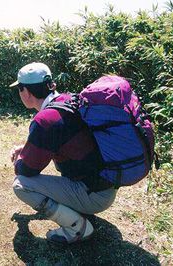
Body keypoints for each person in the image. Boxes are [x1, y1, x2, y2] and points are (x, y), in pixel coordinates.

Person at [9, 62, 117, 244]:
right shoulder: (69, 101)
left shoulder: (46, 120)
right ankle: (78, 210)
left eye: (20, 89)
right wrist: (27, 148)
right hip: (105, 186)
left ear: (26, 92)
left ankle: (78, 228)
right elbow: (63, 141)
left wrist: (20, 159)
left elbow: (26, 170)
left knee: (21, 185)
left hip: (94, 196)